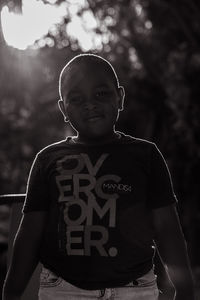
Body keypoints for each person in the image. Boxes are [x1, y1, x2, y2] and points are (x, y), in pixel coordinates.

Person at [2, 53, 195, 300]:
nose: (90, 104)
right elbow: (29, 234)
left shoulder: (145, 155)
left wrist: (185, 289)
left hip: (134, 289)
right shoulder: (47, 159)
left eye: (101, 94)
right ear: (63, 108)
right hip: (63, 289)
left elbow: (167, 228)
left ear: (120, 97)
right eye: (76, 98)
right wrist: (11, 292)